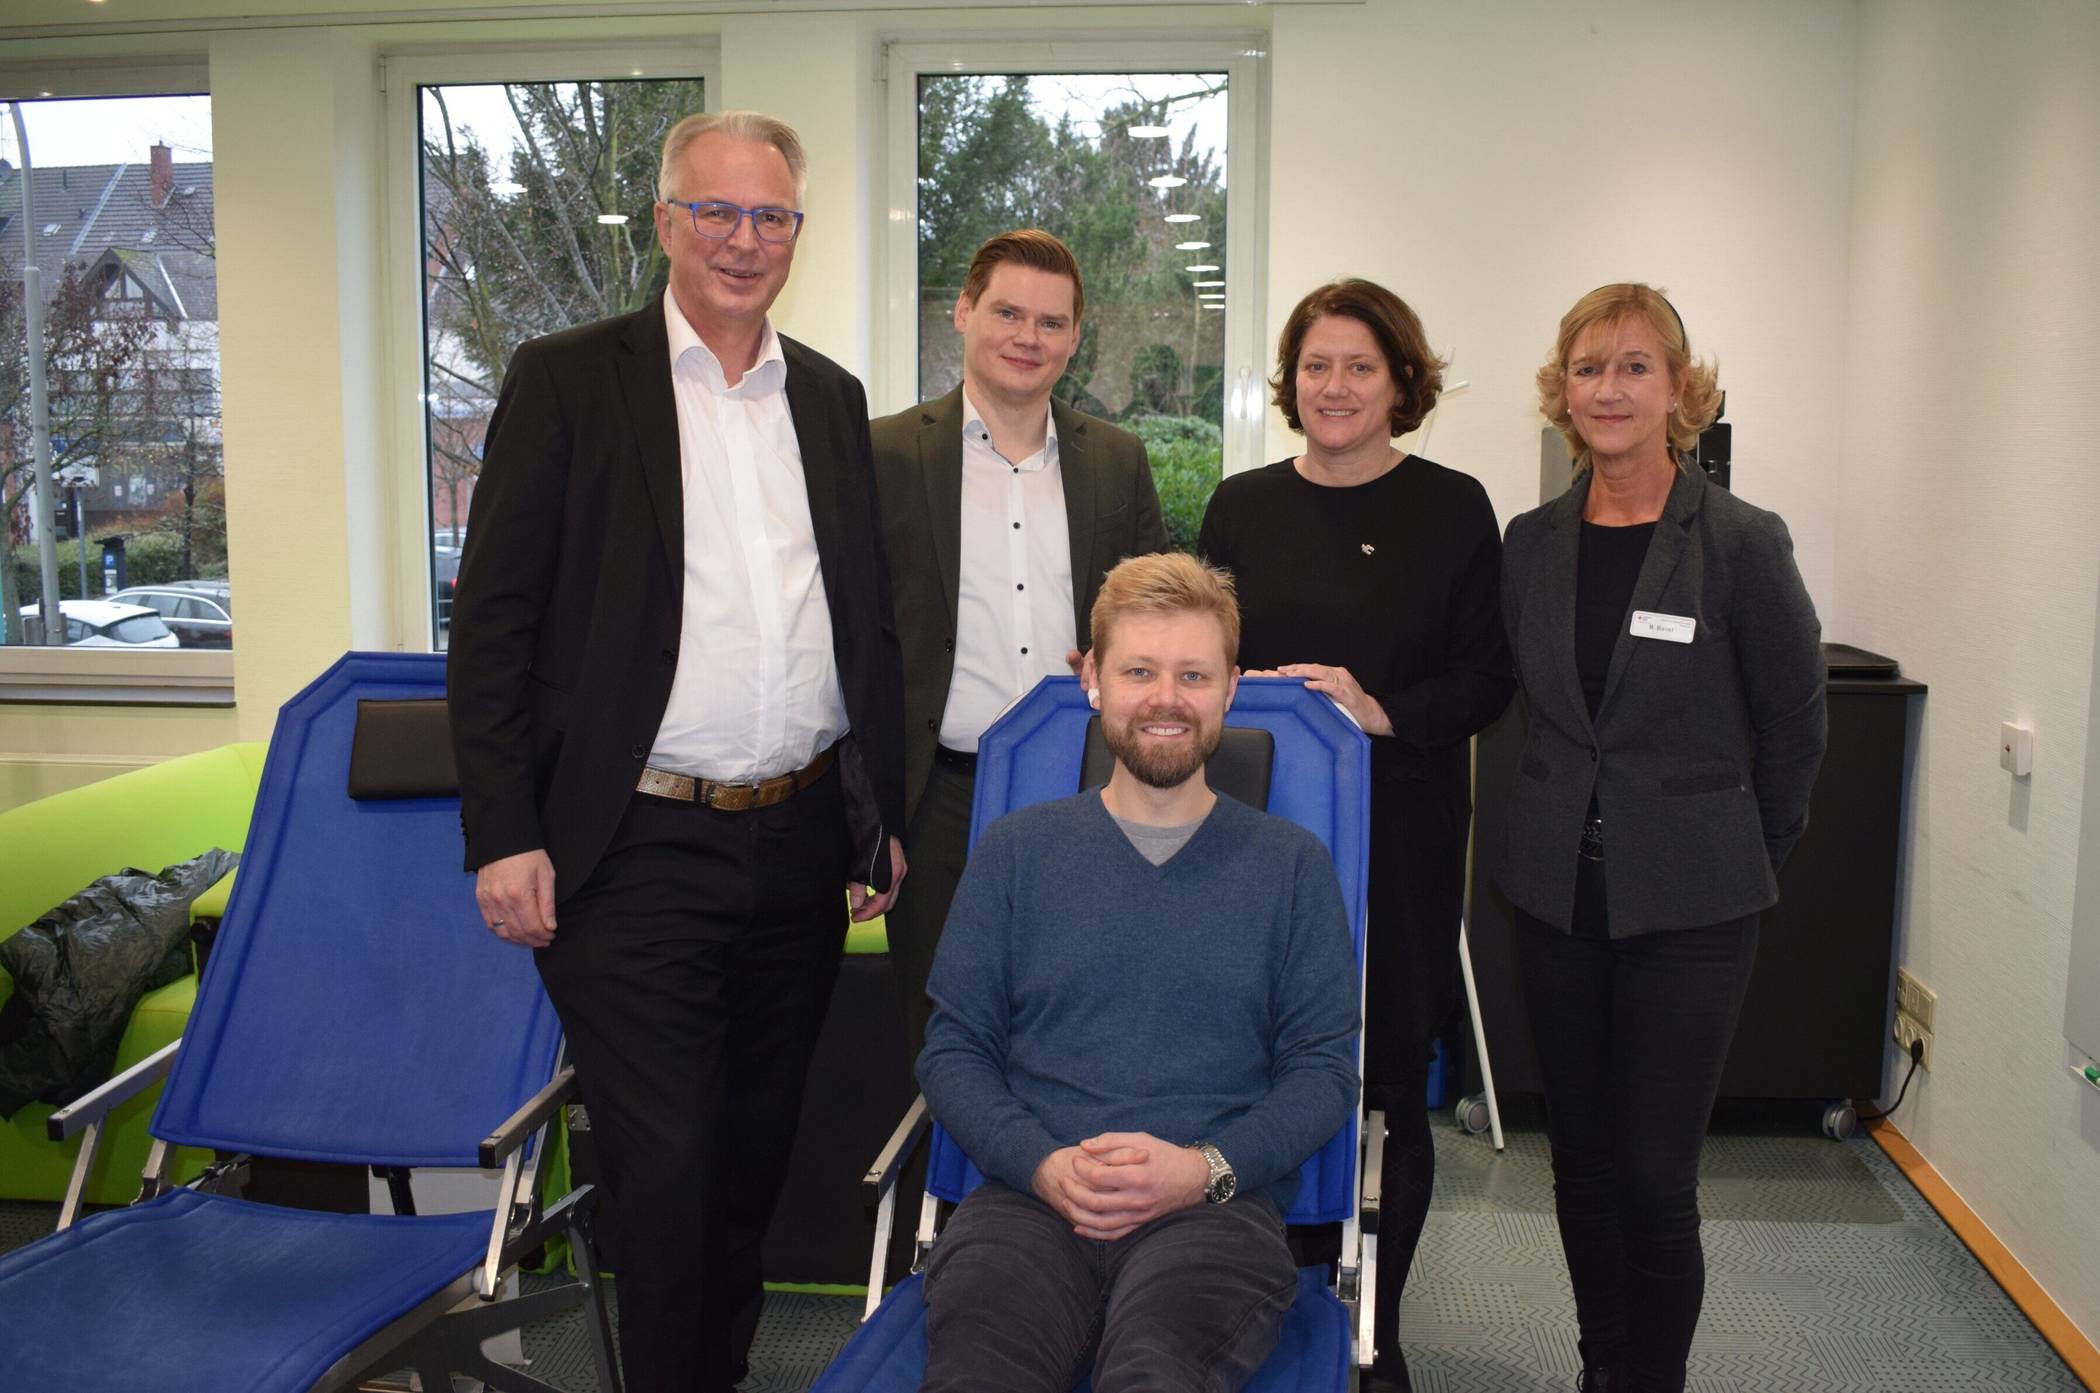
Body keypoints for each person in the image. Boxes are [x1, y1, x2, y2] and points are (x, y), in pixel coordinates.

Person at [446, 110, 908, 1393]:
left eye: (770, 217)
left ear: (797, 234)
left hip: (798, 842)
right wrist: (504, 831)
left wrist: (873, 814)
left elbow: (857, 619)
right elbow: (490, 626)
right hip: (630, 848)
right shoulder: (568, 378)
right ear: (664, 222)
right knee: (665, 1176)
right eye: (717, 211)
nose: (743, 240)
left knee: (752, 1167)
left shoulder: (827, 396)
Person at [915, 552, 1359, 1393]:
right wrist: (1042, 1162)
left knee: (1156, 1374)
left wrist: (1203, 1167)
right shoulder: (1017, 854)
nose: (1165, 698)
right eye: (1139, 671)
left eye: (1193, 674)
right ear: (1092, 681)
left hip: (1214, 1217)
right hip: (1028, 1205)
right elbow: (953, 1053)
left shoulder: (1292, 868)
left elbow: (1323, 1075)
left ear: (1230, 688)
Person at [1499, 284, 1826, 1392]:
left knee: (1653, 1176)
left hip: (1692, 910)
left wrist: (1743, 862)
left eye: (1637, 366)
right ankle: (1605, 1364)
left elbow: (1794, 728)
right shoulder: (1531, 542)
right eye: (1590, 366)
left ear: (1680, 389)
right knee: (1580, 1166)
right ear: (1563, 388)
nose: (1610, 388)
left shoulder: (1737, 541)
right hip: (1554, 900)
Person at [1196, 277, 1513, 1391]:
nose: (1335, 387)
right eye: (1316, 366)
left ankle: (1375, 1323)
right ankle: (1272, 1309)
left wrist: (1381, 710)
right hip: (1253, 840)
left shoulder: (1456, 507)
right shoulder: (1239, 506)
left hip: (1400, 834)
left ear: (1401, 382)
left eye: (1360, 367)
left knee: (1381, 1081)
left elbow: (1490, 677)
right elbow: (1202, 656)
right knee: (1258, 1071)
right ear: (1291, 383)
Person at [871, 227, 1165, 1059]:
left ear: (1075, 338)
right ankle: (948, 1196)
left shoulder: (1116, 458)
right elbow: (856, 640)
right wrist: (869, 818)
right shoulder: (884, 452)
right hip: (938, 801)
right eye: (1007, 312)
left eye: (1050, 322)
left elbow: (1146, 614)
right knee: (943, 1033)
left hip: (1086, 789)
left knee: (1083, 1022)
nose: (1026, 337)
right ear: (963, 314)